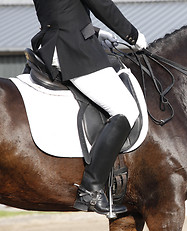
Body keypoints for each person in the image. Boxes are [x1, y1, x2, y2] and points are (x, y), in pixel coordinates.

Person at [31, 0, 148, 216]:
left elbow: (61, 10)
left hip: (54, 42)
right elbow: (102, 4)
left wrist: (94, 31)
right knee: (126, 110)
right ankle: (90, 190)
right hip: (72, 49)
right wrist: (132, 35)